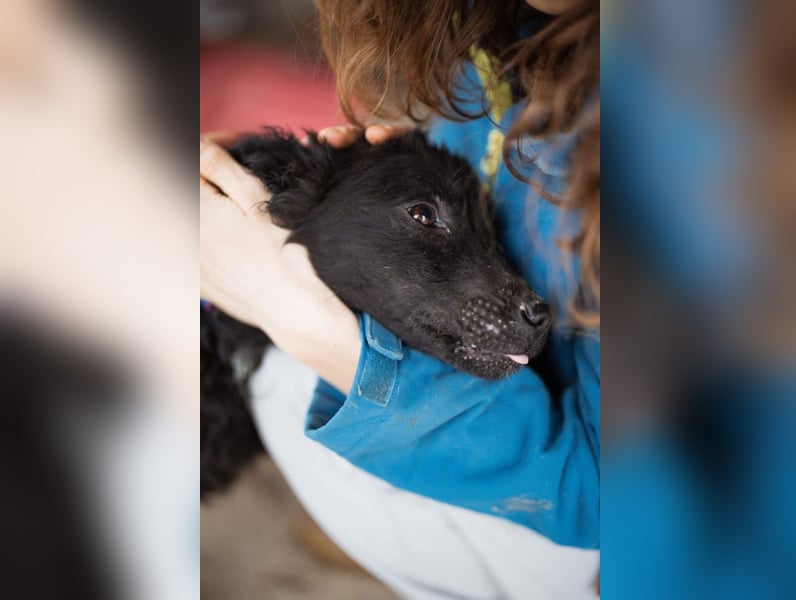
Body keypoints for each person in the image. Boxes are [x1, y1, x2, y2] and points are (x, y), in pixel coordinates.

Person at [200, 0, 599, 596]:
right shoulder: (495, 35)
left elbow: (618, 501)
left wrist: (306, 325)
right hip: (520, 425)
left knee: (281, 374)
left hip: (590, 539)